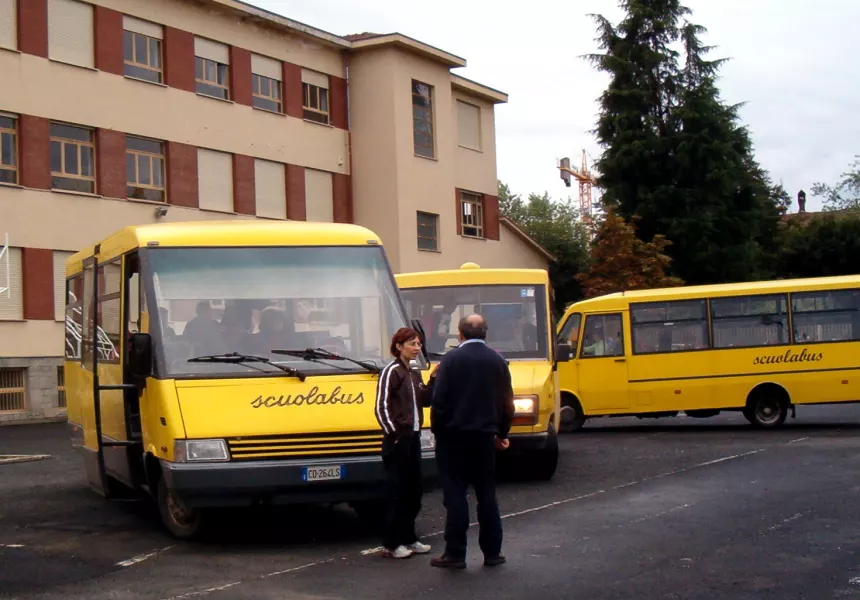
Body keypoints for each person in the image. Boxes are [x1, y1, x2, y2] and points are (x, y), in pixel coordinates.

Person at [429, 314, 515, 569]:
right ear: (486, 333)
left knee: (455, 495)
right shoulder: (498, 361)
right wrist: (503, 433)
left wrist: (438, 432)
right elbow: (506, 403)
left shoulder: (450, 361)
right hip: (485, 437)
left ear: (460, 334)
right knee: (487, 494)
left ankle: (455, 553)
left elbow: (439, 401)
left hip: (453, 438)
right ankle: (493, 552)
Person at [374, 327, 436, 559]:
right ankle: (392, 542)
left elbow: (425, 401)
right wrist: (394, 433)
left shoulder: (415, 372)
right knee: (396, 491)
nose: (416, 348)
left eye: (418, 344)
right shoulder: (391, 372)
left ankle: (409, 537)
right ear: (398, 346)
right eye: (411, 344)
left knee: (414, 491)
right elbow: (381, 406)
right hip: (398, 440)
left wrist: (434, 380)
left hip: (415, 437)